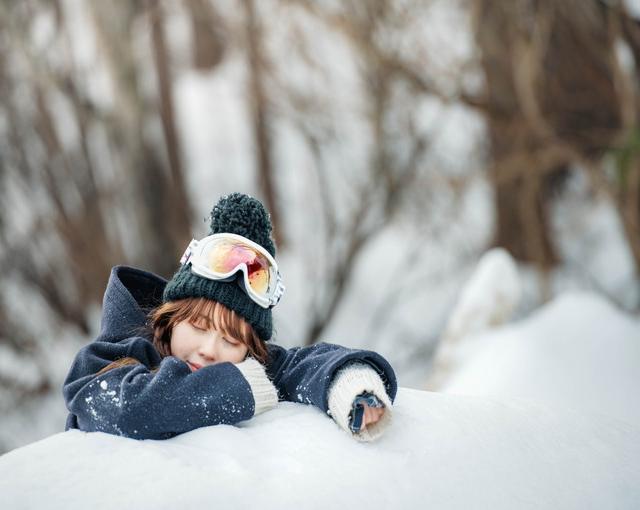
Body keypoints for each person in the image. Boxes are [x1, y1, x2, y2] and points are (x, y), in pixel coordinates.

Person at [63, 193, 397, 442]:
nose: (210, 349)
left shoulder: (245, 366)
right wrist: (237, 388)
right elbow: (129, 410)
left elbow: (303, 364)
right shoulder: (111, 357)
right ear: (171, 317)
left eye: (231, 339)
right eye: (199, 326)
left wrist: (351, 387)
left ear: (248, 350)